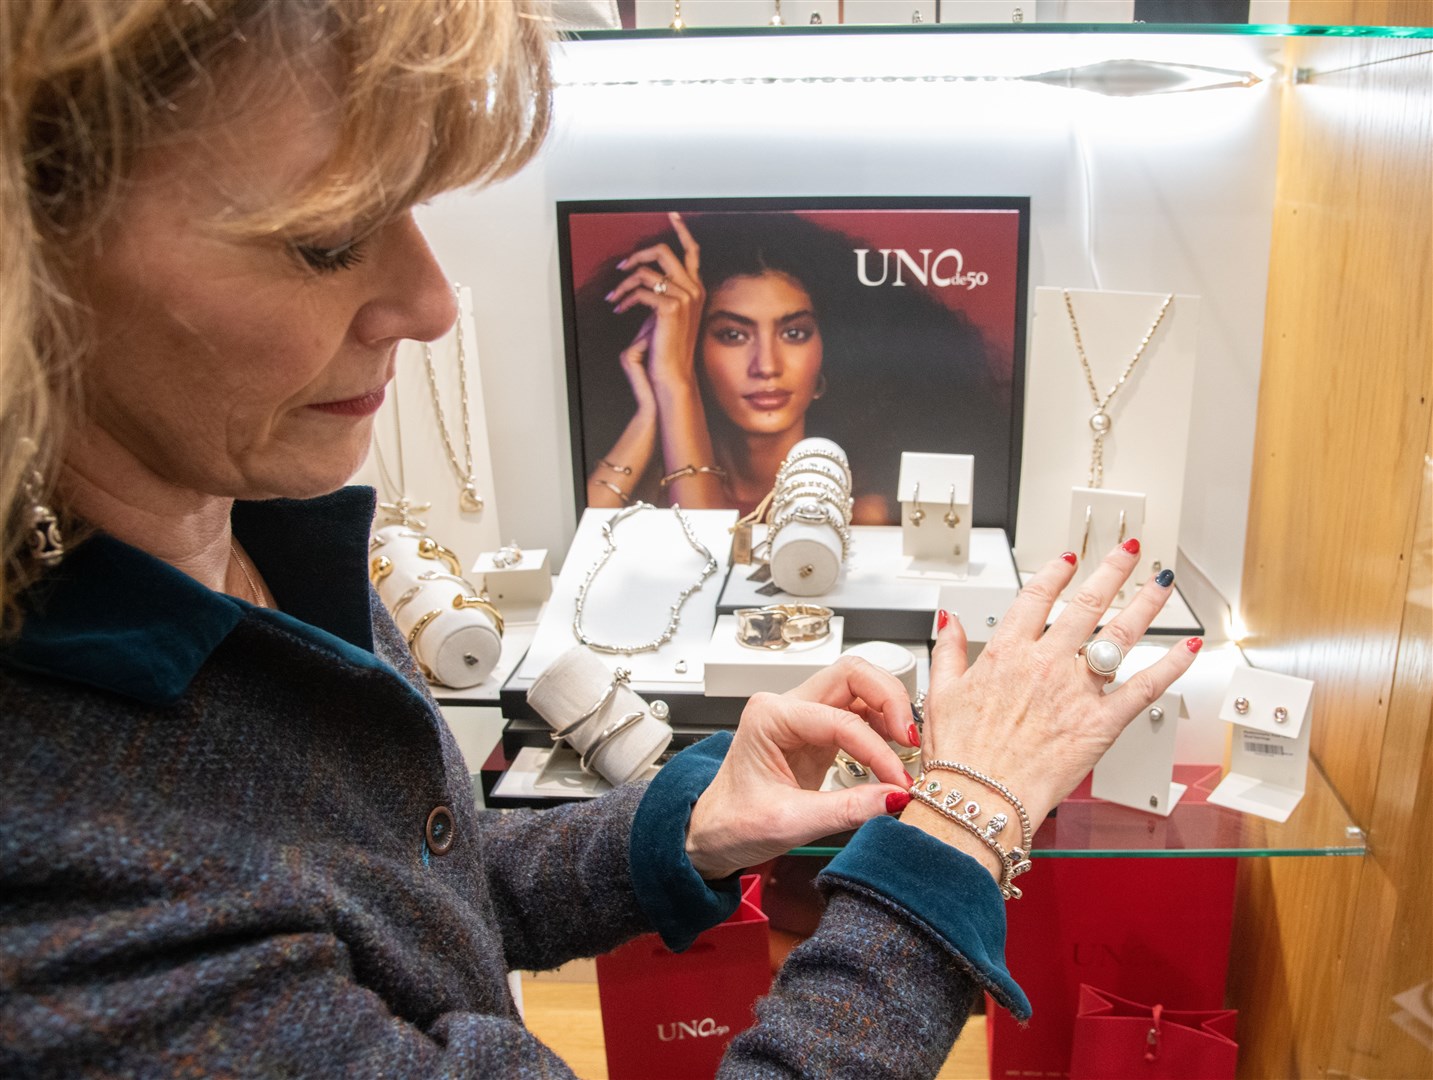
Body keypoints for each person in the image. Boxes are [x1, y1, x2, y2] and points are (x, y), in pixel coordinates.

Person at [0, 2, 1198, 1076]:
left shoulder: (258, 525)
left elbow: (411, 912)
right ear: (29, 260)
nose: (427, 305)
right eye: (325, 240)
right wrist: (962, 823)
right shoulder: (64, 902)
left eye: (410, 210)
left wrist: (679, 827)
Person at [577, 211, 1006, 524]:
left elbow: (710, 557)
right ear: (689, 349)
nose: (766, 365)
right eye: (732, 334)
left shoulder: (859, 504)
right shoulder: (657, 480)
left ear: (829, 350)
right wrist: (657, 401)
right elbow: (580, 545)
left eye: (795, 333)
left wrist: (675, 382)